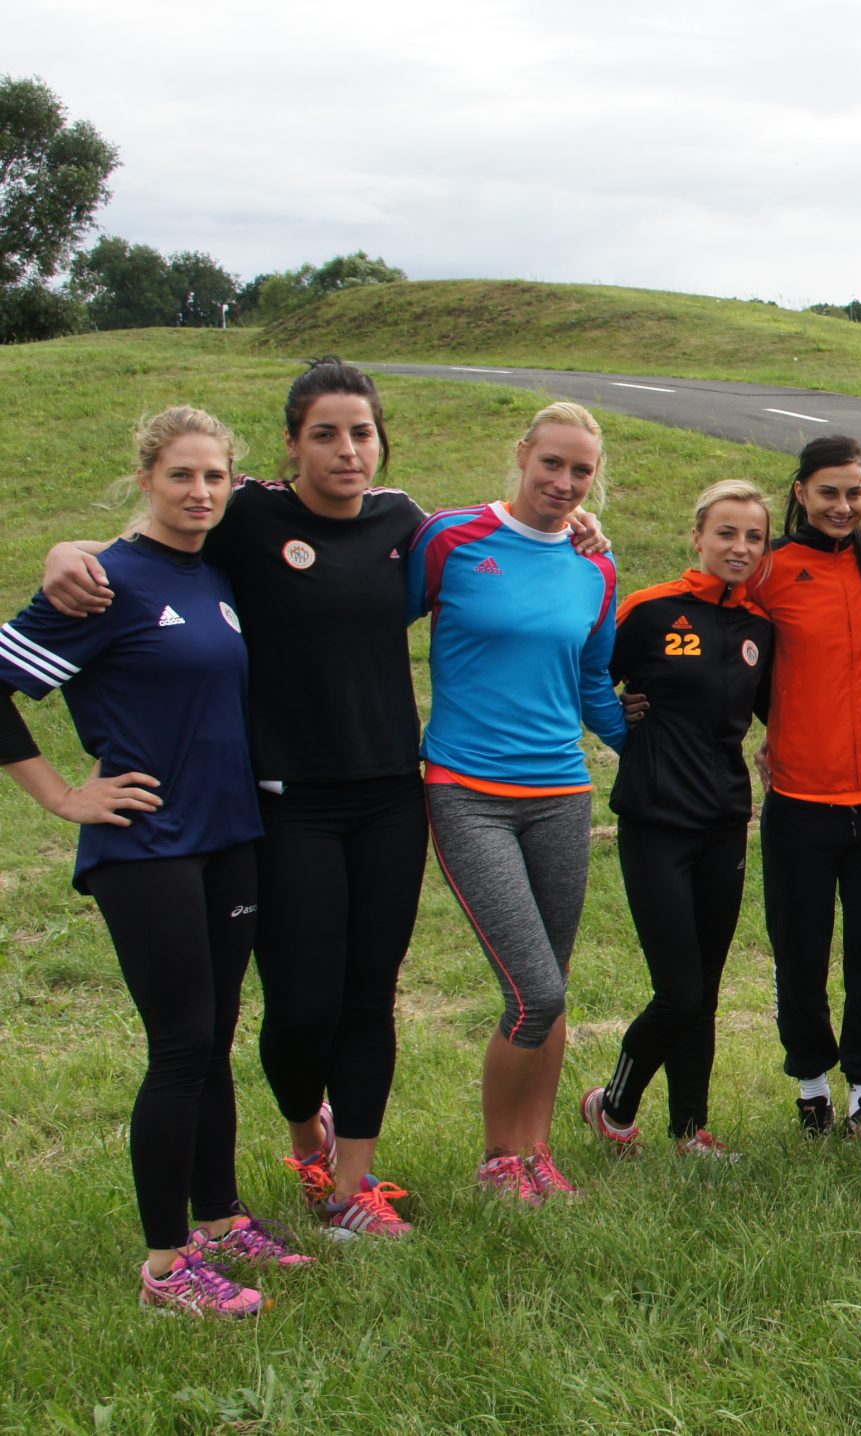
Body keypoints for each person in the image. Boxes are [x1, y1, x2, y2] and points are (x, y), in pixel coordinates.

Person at [40, 359, 434, 1240]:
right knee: (301, 1005)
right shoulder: (247, 516)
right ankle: (305, 1136)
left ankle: (352, 1190)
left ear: (381, 441)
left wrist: (583, 529)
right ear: (291, 445)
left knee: (370, 994)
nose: (346, 449)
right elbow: (152, 545)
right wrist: (66, 551)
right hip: (283, 802)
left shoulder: (404, 521)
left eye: (362, 432)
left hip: (388, 796)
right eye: (325, 434)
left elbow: (494, 541)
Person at [2, 407, 307, 1316]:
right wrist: (63, 795)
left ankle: (219, 1219)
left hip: (229, 838)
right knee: (179, 1044)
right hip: (147, 848)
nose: (200, 492)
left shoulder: (215, 573)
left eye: (214, 476)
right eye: (181, 475)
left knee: (213, 1038)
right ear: (145, 479)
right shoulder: (105, 581)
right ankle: (168, 1268)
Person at [409, 400, 627, 1204]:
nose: (564, 482)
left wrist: (654, 760)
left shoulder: (595, 565)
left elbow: (592, 682)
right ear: (523, 454)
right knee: (536, 990)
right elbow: (364, 616)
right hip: (468, 793)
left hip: (562, 794)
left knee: (550, 983)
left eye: (581, 471)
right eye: (552, 464)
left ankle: (537, 1153)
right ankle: (498, 1158)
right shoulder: (451, 538)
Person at [579, 479, 775, 1160]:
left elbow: (780, 711)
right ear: (697, 537)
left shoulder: (760, 628)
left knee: (706, 991)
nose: (740, 547)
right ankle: (612, 1106)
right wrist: (618, 722)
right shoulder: (652, 609)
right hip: (656, 819)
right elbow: (588, 676)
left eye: (754, 537)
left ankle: (691, 1130)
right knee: (680, 991)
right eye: (726, 533)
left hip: (725, 820)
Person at [747, 436, 861, 1140]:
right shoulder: (769, 568)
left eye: (854, 492)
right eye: (828, 493)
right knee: (800, 951)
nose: (842, 506)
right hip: (800, 799)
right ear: (801, 493)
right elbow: (735, 654)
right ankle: (812, 1085)